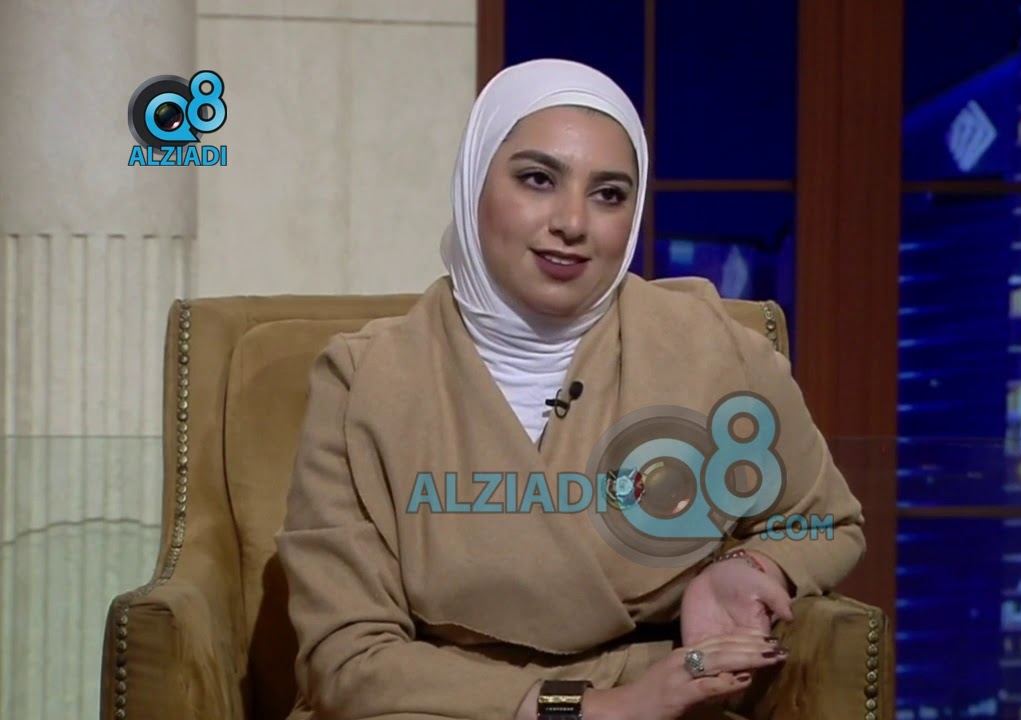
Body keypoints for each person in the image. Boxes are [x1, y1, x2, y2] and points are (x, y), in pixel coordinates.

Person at [274, 58, 867, 720]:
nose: (573, 222)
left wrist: (752, 568)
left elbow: (825, 521)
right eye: (538, 179)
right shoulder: (362, 380)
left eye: (609, 194)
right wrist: (600, 708)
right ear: (474, 183)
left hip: (672, 694)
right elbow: (348, 659)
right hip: (438, 706)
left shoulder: (714, 349)